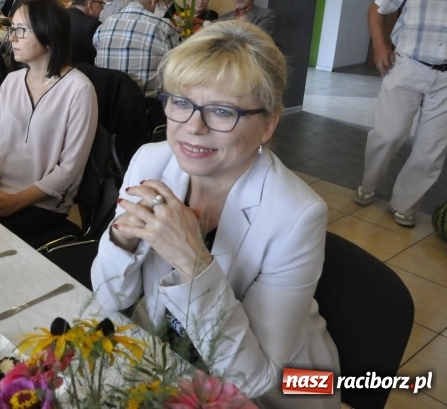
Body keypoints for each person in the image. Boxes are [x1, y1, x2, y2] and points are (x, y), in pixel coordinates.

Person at [91, 21, 339, 408]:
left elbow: (253, 377)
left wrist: (194, 262)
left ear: (268, 124)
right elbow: (107, 297)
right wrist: (121, 241)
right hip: (166, 360)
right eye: (182, 102)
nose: (193, 127)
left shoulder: (298, 214)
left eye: (222, 111)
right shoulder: (151, 162)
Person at [0, 0, 98, 241]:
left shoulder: (79, 89)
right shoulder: (11, 82)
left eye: (21, 30)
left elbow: (69, 169)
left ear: (49, 35)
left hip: (42, 203)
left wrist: (14, 202)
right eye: (12, 29)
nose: (12, 37)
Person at [355, 0, 447, 227]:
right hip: (407, 66)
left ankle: (405, 205)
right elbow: (377, 9)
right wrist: (380, 45)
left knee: (431, 150)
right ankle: (368, 184)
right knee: (388, 134)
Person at [93, 0, 179, 98]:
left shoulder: (105, 24)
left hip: (107, 103)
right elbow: (174, 67)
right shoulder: (163, 26)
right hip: (146, 106)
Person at [67, 0, 103, 66]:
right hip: (83, 73)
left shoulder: (58, 16)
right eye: (101, 3)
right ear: (90, 5)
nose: (102, 8)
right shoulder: (93, 25)